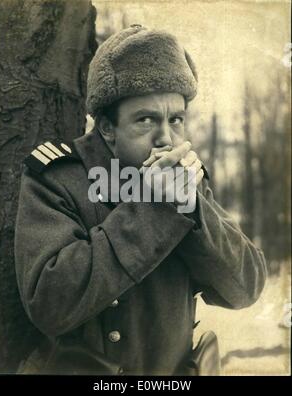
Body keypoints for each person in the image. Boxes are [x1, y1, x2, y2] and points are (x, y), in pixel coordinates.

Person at [14, 25, 267, 375]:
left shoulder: (186, 181)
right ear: (106, 128)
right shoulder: (59, 176)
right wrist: (155, 207)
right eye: (146, 119)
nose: (166, 137)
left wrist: (191, 208)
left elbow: (247, 287)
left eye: (176, 119)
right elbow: (50, 303)